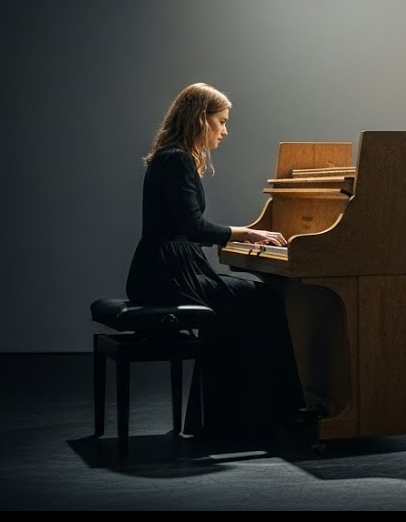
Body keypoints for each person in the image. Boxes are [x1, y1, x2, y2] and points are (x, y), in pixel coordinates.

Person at [125, 82, 303, 442]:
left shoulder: (171, 156)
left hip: (162, 267)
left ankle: (230, 418)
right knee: (264, 300)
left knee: (242, 306)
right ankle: (275, 415)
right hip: (170, 272)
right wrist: (249, 234)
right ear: (199, 120)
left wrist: (242, 234)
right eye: (220, 121)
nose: (225, 130)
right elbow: (193, 228)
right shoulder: (176, 159)